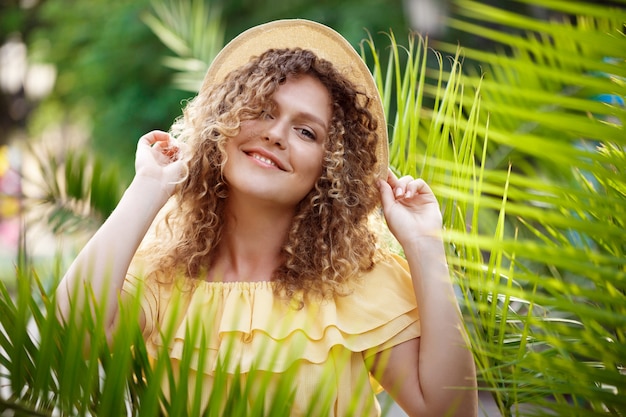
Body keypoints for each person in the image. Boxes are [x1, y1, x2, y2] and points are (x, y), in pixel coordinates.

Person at [57, 19, 477, 417]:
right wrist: (149, 185)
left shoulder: (355, 280)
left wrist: (424, 243)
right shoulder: (165, 271)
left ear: (329, 168)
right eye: (263, 110)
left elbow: (450, 410)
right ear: (224, 123)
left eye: (306, 131)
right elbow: (76, 333)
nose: (276, 134)